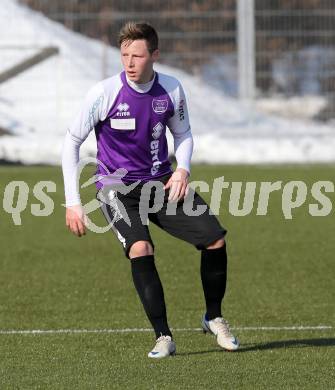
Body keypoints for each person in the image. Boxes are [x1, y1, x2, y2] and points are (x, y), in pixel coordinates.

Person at [62, 21, 239, 358]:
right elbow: (71, 143)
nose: (129, 62)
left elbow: (183, 134)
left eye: (137, 55)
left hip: (160, 182)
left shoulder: (171, 89)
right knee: (141, 248)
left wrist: (183, 168)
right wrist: (73, 203)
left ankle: (213, 317)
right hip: (116, 187)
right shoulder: (103, 93)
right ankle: (163, 336)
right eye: (124, 54)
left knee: (215, 239)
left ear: (154, 55)